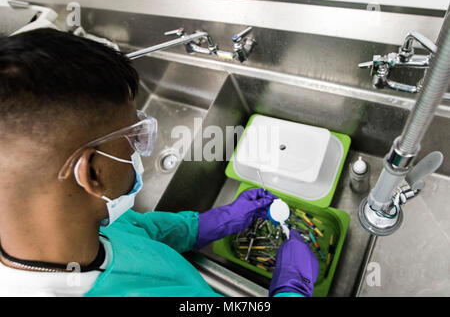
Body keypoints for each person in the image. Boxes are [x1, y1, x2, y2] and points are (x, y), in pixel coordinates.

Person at [0, 28, 319, 297]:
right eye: (132, 136)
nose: (139, 148)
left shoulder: (63, 223)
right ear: (93, 173)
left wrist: (207, 224)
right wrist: (292, 289)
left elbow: (137, 232)